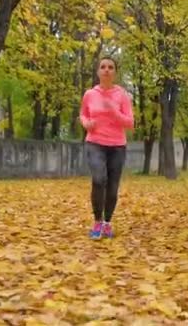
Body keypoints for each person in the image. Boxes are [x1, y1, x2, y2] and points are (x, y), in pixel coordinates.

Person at [80, 56, 134, 239]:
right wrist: (86, 123)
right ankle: (97, 222)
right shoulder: (90, 94)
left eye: (110, 67)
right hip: (95, 143)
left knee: (112, 187)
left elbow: (130, 122)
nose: (106, 70)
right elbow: (83, 115)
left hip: (117, 146)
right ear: (98, 72)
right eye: (103, 67)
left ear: (115, 73)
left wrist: (113, 111)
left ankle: (108, 223)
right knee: (98, 179)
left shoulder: (122, 95)